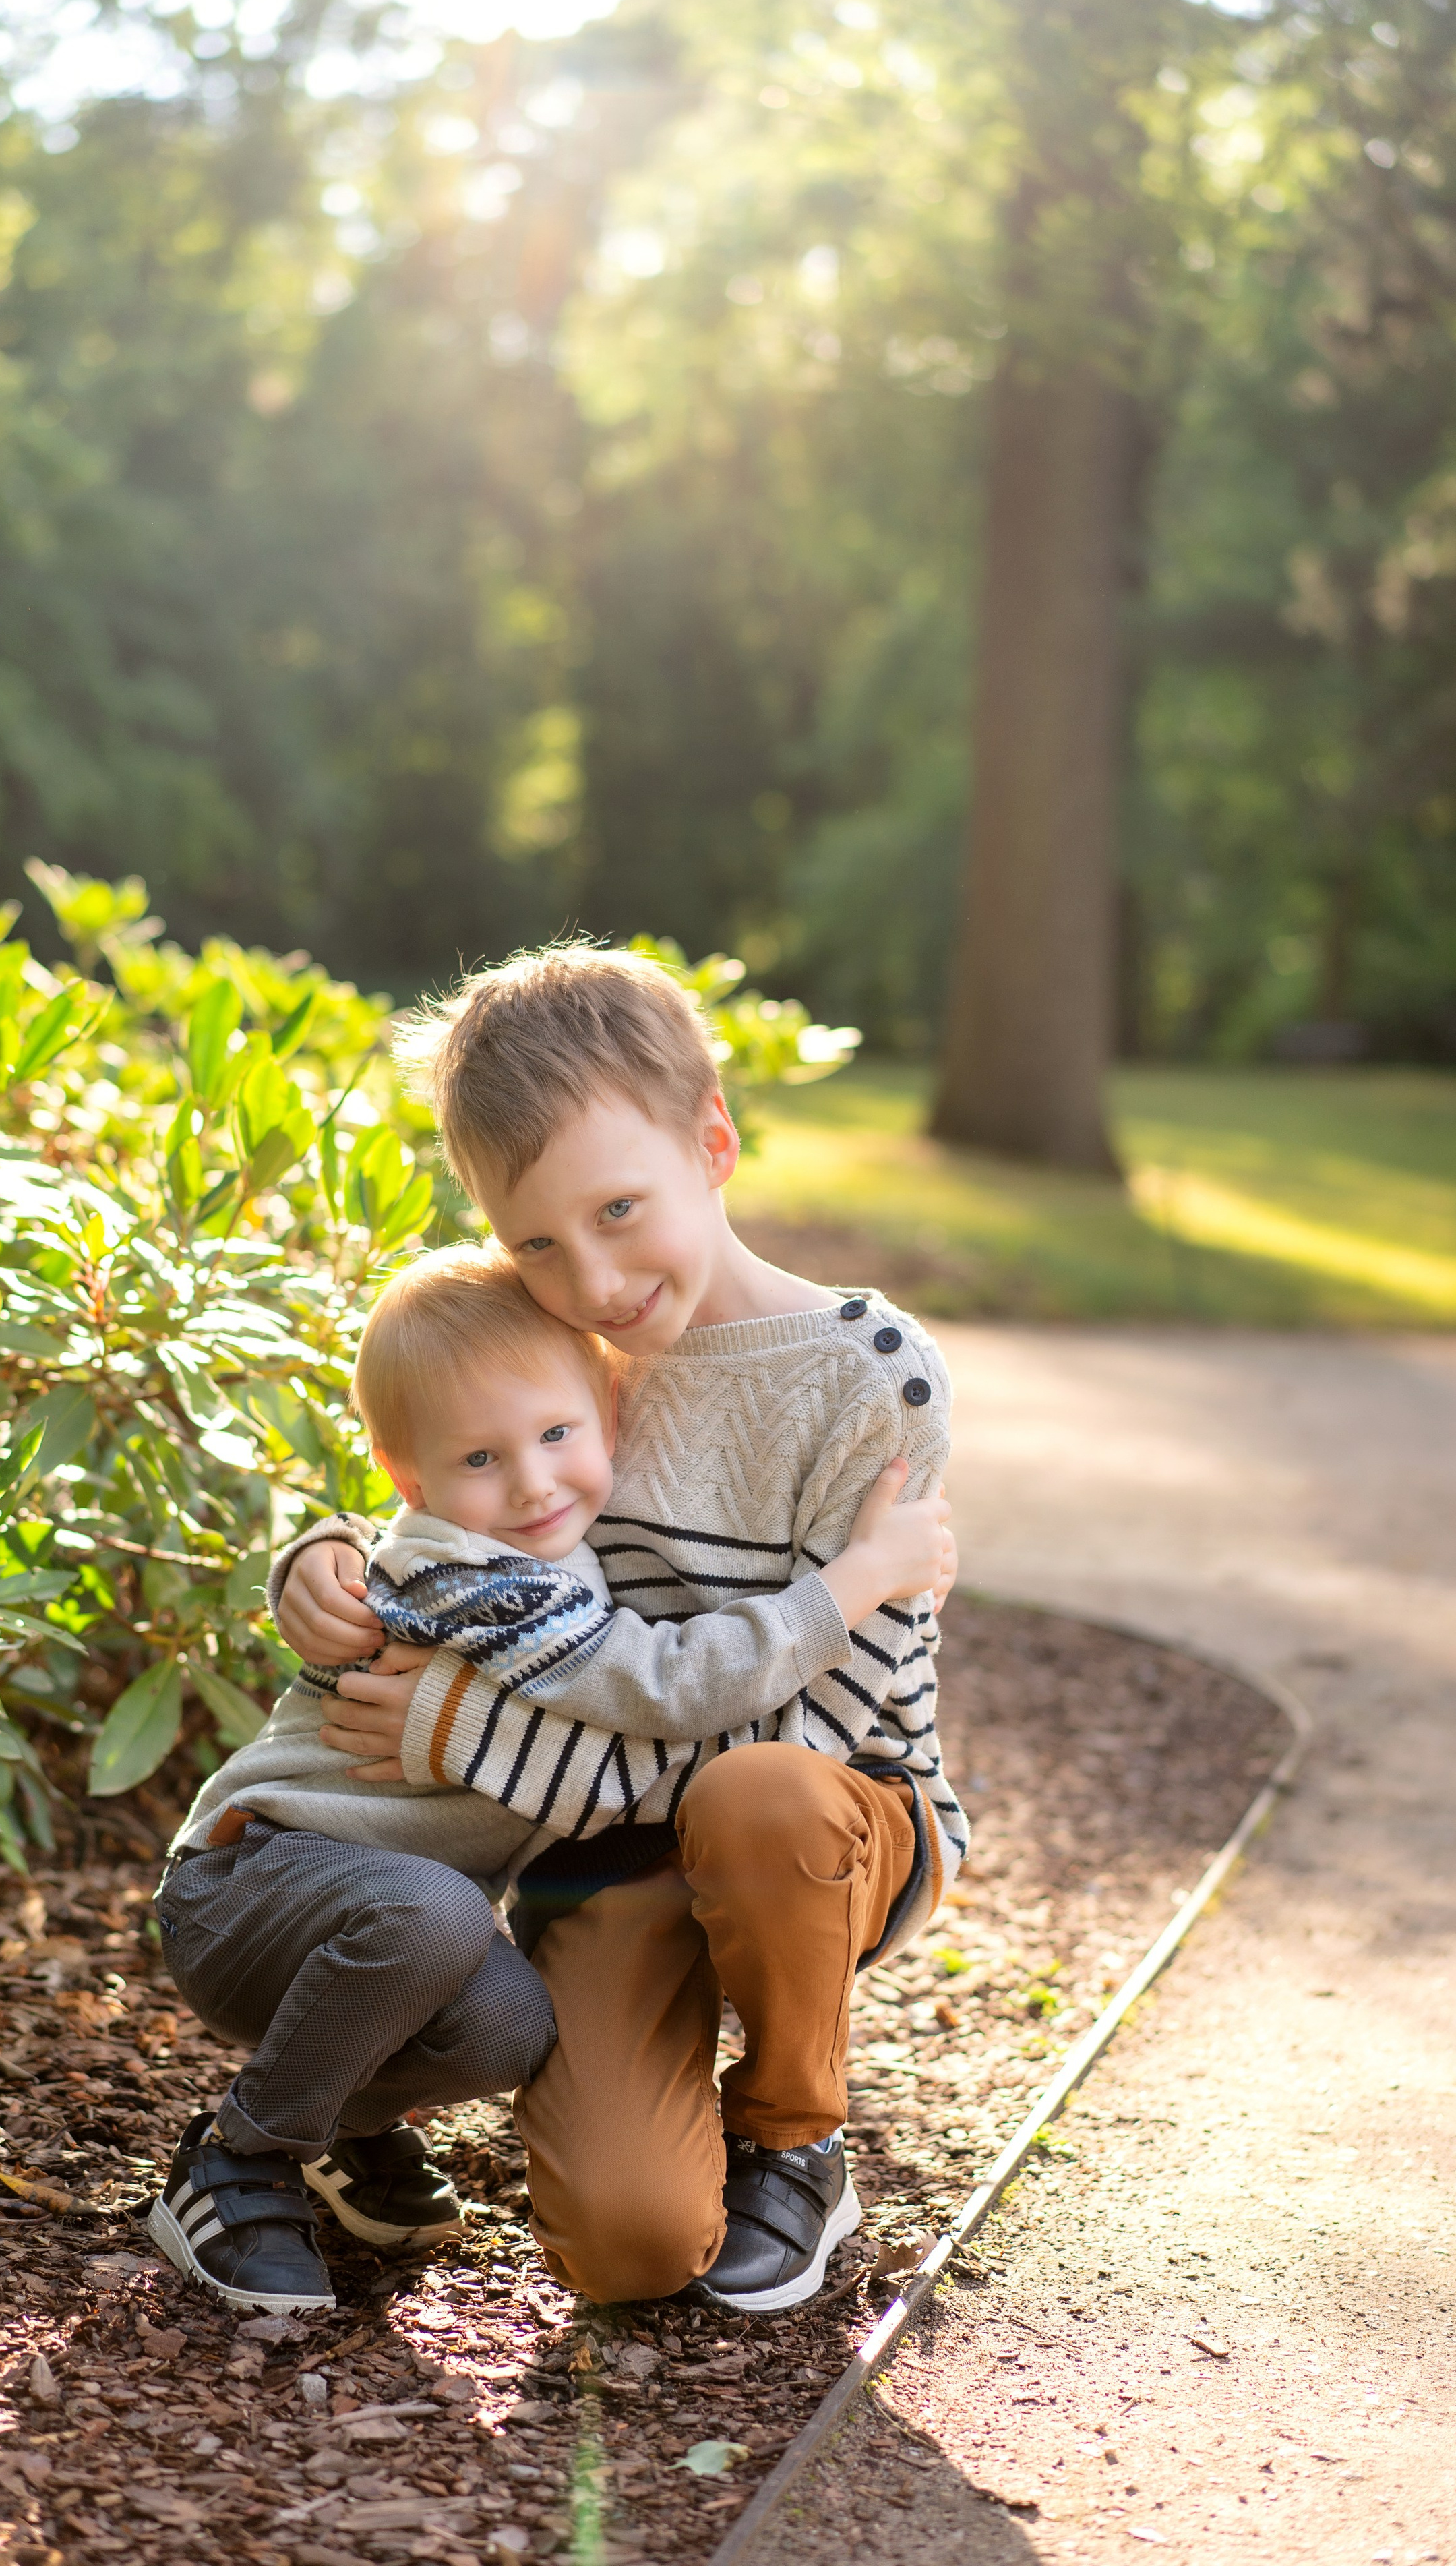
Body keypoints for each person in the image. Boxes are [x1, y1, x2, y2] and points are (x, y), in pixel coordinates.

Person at [277, 945, 967, 2314]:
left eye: (617, 1211)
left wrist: (473, 1739)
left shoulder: (868, 1378)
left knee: (755, 1794)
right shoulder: (568, 1348)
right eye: (536, 1243)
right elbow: (453, 1497)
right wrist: (326, 1554)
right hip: (606, 1837)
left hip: (826, 1819)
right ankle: (656, 2123)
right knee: (629, 2248)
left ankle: (794, 2135)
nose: (591, 1279)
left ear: (712, 1143)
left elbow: (821, 1722)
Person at [146, 1239, 950, 2317]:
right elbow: (669, 1683)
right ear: (410, 1476)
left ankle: (339, 2121)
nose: (531, 1481)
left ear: (609, 1417)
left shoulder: (550, 1552)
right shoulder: (479, 1582)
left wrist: (326, 1547)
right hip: (253, 1884)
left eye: (556, 1435)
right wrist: (857, 1581)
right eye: (482, 1458)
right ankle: (236, 2157)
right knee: (437, 1914)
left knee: (509, 2022)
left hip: (374, 1914)